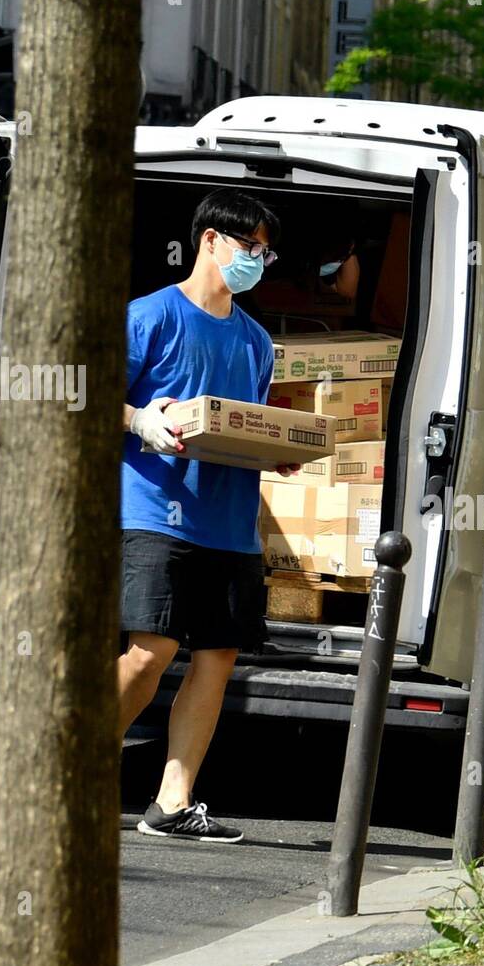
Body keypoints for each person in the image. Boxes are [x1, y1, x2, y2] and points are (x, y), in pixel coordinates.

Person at [118, 189, 295, 843]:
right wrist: (140, 418)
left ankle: (172, 801)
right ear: (209, 240)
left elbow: (241, 424)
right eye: (249, 245)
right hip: (156, 510)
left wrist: (277, 454)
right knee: (150, 651)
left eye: (265, 251)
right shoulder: (151, 316)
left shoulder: (255, 342)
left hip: (230, 521)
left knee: (217, 655)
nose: (257, 258)